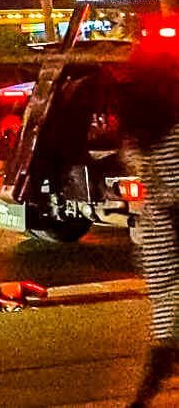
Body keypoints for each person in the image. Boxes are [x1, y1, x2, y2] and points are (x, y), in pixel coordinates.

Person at [124, 30, 179, 405]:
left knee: (167, 323)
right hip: (173, 239)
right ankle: (141, 400)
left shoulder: (140, 133)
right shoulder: (174, 133)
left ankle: (142, 399)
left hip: (156, 240)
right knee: (169, 332)